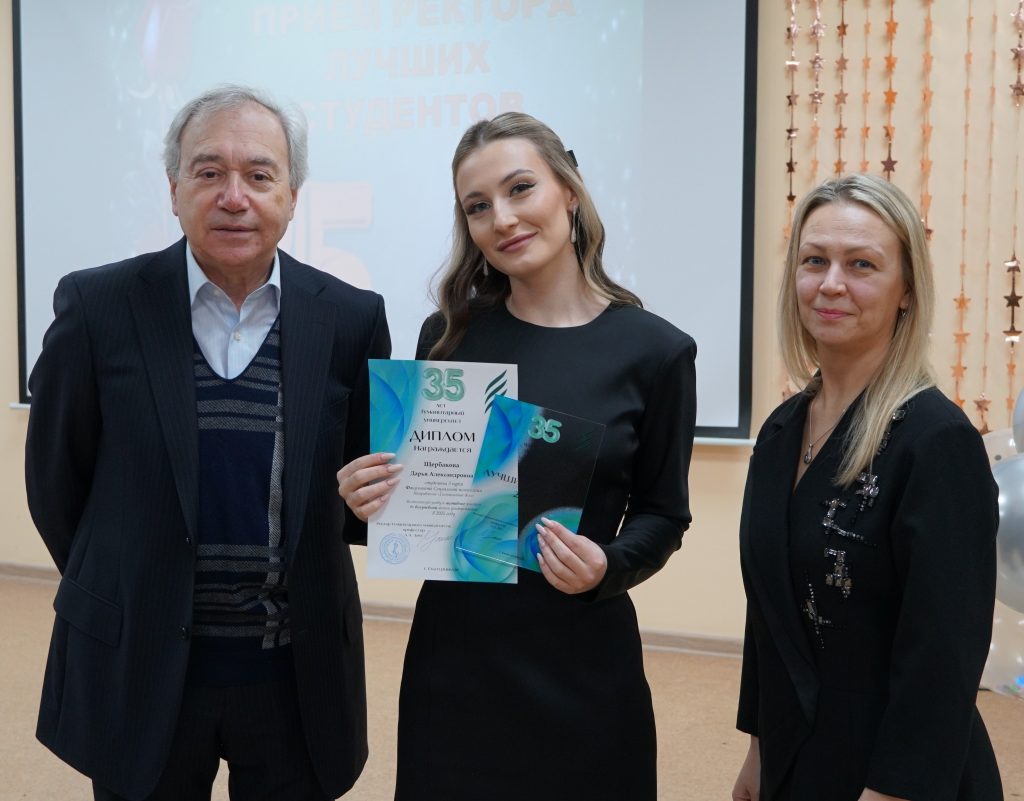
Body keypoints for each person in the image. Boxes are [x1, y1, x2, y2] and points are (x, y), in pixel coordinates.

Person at [25, 85, 390, 801]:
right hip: (143, 664)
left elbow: (359, 493)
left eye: (259, 174)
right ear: (174, 189)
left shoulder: (350, 318)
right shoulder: (99, 307)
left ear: (292, 195)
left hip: (294, 672)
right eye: (209, 172)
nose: (234, 197)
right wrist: (132, 585)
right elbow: (56, 483)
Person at [338, 112, 696, 799]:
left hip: (583, 663)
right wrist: (366, 499)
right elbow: (414, 502)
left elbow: (663, 514)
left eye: (520, 188)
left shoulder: (656, 351)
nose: (501, 218)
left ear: (570, 191)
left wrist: (608, 564)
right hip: (455, 665)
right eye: (477, 206)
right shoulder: (448, 334)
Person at [731, 174, 1002, 801]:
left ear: (906, 290)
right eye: (814, 261)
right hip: (799, 751)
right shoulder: (781, 431)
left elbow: (945, 653)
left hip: (896, 769)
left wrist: (893, 791)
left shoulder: (936, 441)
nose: (831, 283)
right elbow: (769, 615)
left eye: (862, 264)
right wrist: (760, 745)